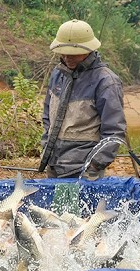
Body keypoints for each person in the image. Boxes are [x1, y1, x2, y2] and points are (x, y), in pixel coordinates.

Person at [39, 19, 127, 179]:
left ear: (89, 50)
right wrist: (46, 145)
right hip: (54, 164)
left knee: (81, 205)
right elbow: (47, 116)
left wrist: (94, 165)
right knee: (55, 205)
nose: (67, 57)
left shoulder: (106, 81)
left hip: (84, 171)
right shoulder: (57, 75)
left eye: (73, 53)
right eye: (63, 52)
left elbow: (114, 131)